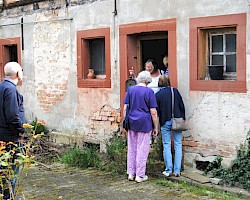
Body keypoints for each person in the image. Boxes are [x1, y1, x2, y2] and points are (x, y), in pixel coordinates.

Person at [123, 71, 158, 183]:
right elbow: (153, 112)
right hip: (144, 122)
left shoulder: (131, 90)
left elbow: (125, 108)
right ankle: (140, 175)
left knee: (132, 148)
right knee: (142, 149)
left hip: (132, 121)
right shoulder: (149, 92)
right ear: (148, 81)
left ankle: (131, 173)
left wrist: (125, 121)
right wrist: (156, 126)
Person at [0, 62, 26, 199]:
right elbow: (12, 115)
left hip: (2, 136)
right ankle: (7, 197)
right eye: (21, 70)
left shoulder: (2, 87)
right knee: (12, 173)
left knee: (3, 170)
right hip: (11, 137)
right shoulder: (10, 89)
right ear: (17, 73)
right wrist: (21, 129)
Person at [155, 75, 186, 177]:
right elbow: (182, 105)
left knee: (166, 145)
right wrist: (183, 118)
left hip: (165, 121)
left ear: (159, 83)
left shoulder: (158, 95)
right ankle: (177, 171)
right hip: (177, 120)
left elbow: (157, 111)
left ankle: (169, 170)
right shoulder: (175, 91)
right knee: (178, 145)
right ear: (168, 82)